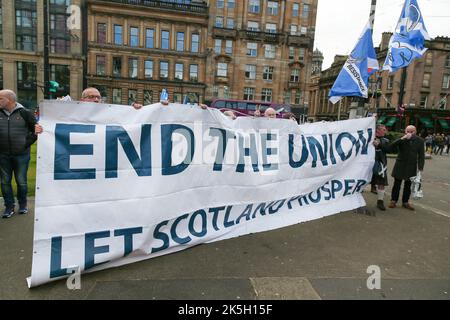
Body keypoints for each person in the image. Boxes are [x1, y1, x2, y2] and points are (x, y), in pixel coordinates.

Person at [0, 89, 37, 218]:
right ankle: (9, 207)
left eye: (0, 98)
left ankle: (23, 205)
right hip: (3, 155)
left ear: (10, 99)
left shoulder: (25, 113)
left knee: (21, 181)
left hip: (22, 155)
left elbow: (36, 131)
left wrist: (25, 145)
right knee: (5, 182)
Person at [388, 125, 425, 211]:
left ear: (415, 132)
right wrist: (402, 138)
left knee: (408, 185)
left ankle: (405, 202)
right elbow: (391, 146)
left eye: (412, 131)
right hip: (400, 164)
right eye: (408, 131)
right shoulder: (401, 138)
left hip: (411, 165)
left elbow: (421, 155)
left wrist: (420, 167)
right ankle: (393, 200)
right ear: (405, 131)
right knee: (397, 184)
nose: (410, 133)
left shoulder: (420, 140)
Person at [372, 125, 390, 211]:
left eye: (385, 130)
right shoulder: (369, 138)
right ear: (377, 130)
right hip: (368, 164)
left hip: (381, 165)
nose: (385, 131)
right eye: (383, 130)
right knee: (362, 180)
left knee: (381, 183)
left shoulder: (385, 140)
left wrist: (379, 145)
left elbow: (388, 149)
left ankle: (380, 201)